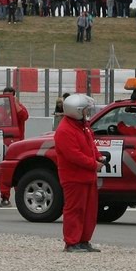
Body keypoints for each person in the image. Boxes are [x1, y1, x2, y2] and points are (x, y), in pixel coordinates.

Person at [54, 93, 101, 253]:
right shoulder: (65, 130)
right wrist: (94, 164)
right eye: (85, 110)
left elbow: (90, 144)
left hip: (87, 176)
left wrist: (98, 156)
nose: (87, 113)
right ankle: (72, 242)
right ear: (77, 111)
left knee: (89, 211)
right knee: (75, 210)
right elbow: (73, 155)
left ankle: (83, 240)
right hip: (74, 177)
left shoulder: (83, 126)